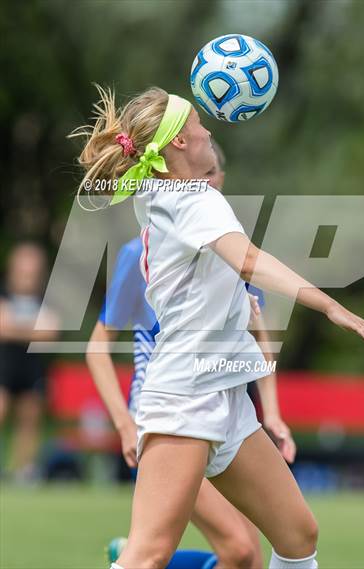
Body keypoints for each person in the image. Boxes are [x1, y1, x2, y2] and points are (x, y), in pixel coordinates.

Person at [73, 86, 364, 569]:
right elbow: (249, 259)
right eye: (197, 123)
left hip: (225, 396)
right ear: (177, 143)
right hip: (184, 398)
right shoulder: (193, 198)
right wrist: (328, 305)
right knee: (148, 556)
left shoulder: (162, 190)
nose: (207, 129)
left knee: (298, 535)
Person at [87, 141, 294, 568]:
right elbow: (96, 349)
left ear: (222, 180)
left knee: (248, 557)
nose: (207, 183)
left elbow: (260, 339)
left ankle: (126, 554)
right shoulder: (141, 251)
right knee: (237, 548)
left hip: (227, 413)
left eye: (214, 174)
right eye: (201, 175)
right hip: (171, 416)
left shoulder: (230, 250)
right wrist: (126, 425)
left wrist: (271, 413)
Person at [0, 242, 58, 482]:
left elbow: (50, 333)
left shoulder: (46, 297)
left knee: (30, 418)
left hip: (32, 365)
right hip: (4, 364)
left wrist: (16, 327)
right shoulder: (3, 292)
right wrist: (33, 328)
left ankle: (23, 470)